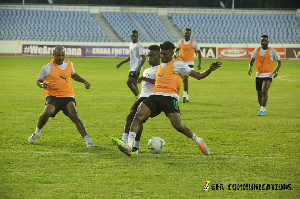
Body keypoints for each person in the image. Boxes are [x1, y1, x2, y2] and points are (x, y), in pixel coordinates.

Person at [117, 41, 221, 156]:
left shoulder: (177, 65)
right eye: (161, 54)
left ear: (172, 53)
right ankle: (129, 145)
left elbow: (198, 75)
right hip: (155, 96)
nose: (162, 56)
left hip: (169, 98)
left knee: (178, 126)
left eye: (165, 54)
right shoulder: (160, 67)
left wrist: (210, 69)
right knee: (138, 115)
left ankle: (198, 140)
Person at [28, 46, 94, 147]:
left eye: (62, 55)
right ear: (54, 55)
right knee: (47, 112)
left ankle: (88, 140)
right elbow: (39, 80)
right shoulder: (47, 68)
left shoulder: (69, 64)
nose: (61, 57)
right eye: (58, 55)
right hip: (53, 96)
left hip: (67, 96)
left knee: (74, 115)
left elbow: (74, 75)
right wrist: (42, 85)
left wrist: (84, 81)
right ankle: (37, 133)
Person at [111, 45, 160, 154]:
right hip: (143, 96)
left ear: (159, 56)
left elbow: (160, 83)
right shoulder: (147, 69)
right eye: (149, 56)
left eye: (152, 56)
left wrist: (145, 78)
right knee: (133, 117)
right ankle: (132, 144)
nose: (150, 58)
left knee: (137, 119)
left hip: (151, 98)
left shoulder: (161, 69)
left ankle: (129, 142)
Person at [248, 35, 281, 116]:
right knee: (259, 93)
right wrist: (250, 68)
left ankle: (262, 109)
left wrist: (276, 71)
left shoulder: (272, 51)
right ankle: (262, 108)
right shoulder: (257, 50)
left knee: (264, 90)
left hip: (268, 74)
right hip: (259, 75)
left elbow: (279, 61)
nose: (263, 42)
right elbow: (252, 60)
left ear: (268, 42)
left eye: (265, 41)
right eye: (262, 41)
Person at [116, 30, 146, 100]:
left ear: (137, 36)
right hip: (132, 67)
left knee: (129, 82)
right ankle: (139, 99)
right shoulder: (131, 45)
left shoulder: (139, 45)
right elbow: (131, 57)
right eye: (132, 36)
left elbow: (144, 57)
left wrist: (139, 68)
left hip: (136, 67)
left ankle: (138, 97)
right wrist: (121, 63)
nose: (133, 37)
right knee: (134, 83)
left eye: (135, 36)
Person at [175, 28, 201, 103]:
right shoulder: (180, 42)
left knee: (185, 78)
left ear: (190, 34)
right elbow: (177, 50)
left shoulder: (193, 43)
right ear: (184, 34)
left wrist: (199, 63)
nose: (186, 34)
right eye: (185, 33)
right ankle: (185, 96)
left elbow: (199, 52)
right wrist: (175, 54)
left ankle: (184, 96)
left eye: (188, 33)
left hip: (190, 63)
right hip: (181, 63)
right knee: (180, 80)